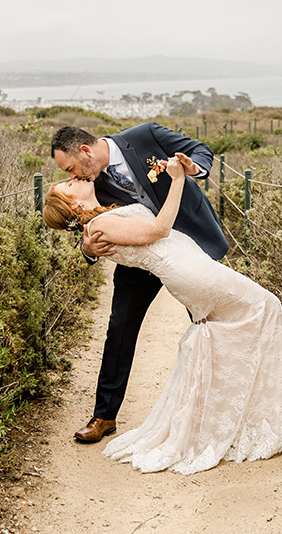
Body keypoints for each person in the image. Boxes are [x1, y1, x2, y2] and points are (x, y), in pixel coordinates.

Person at [43, 154, 282, 474]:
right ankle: (263, 412)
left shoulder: (103, 202)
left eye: (69, 175)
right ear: (72, 205)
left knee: (235, 324)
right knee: (265, 307)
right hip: (185, 269)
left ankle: (242, 413)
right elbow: (158, 229)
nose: (73, 179)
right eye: (68, 183)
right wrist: (177, 179)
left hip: (187, 263)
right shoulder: (99, 225)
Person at [51, 123, 228, 444]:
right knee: (120, 327)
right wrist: (87, 248)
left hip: (190, 243)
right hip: (141, 258)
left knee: (207, 322)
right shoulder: (91, 184)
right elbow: (85, 224)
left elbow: (201, 150)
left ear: (86, 151)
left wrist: (193, 167)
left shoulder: (146, 136)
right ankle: (104, 416)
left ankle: (219, 408)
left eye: (71, 168)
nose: (73, 177)